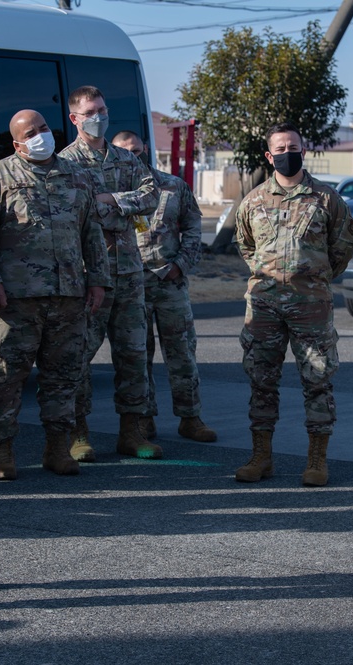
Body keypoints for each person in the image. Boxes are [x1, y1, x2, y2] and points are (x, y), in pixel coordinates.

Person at [0, 109, 110, 480]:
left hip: (68, 297)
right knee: (3, 380)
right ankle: (2, 452)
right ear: (17, 143)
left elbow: (92, 234)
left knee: (64, 377)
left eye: (44, 128)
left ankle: (58, 449)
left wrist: (98, 281)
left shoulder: (78, 176)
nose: (40, 136)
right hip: (13, 301)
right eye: (30, 132)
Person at [233, 121, 353, 486]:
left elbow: (343, 246)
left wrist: (314, 277)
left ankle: (317, 461)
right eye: (281, 149)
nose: (288, 154)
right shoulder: (253, 201)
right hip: (265, 307)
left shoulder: (326, 199)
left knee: (318, 380)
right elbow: (245, 246)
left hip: (311, 305)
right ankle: (261, 457)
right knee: (261, 381)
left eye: (294, 147)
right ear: (270, 156)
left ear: (304, 151)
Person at [58, 86, 160, 461]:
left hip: (130, 273)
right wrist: (117, 210)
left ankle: (132, 433)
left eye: (102, 109)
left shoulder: (126, 160)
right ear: (75, 118)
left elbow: (151, 196)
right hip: (88, 277)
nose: (98, 116)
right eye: (90, 111)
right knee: (79, 356)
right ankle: (78, 432)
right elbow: (73, 211)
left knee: (134, 354)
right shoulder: (64, 163)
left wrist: (112, 200)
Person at [110, 131, 217, 443]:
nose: (132, 156)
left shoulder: (173, 186)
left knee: (182, 353)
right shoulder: (111, 193)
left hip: (170, 283)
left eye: (136, 149)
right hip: (131, 285)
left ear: (145, 148)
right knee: (135, 356)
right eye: (124, 152)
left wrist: (181, 265)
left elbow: (194, 228)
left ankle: (190, 417)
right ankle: (143, 420)